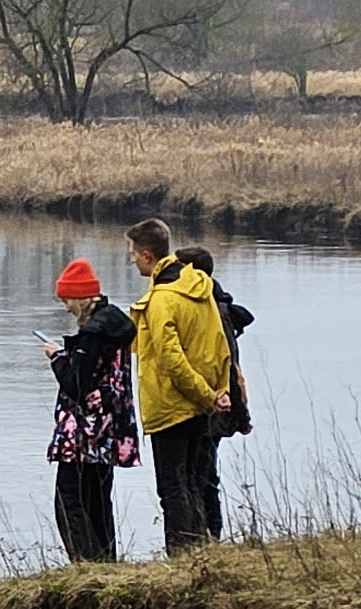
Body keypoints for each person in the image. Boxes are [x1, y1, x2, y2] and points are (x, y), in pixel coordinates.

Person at [126, 220, 232, 555]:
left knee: (172, 485)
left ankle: (182, 555)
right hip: (202, 406)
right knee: (194, 481)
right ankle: (202, 550)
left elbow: (172, 361)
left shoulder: (161, 300)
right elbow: (220, 346)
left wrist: (204, 395)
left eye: (132, 254)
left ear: (147, 255)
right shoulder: (201, 287)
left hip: (172, 406)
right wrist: (218, 391)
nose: (130, 261)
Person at [43, 255, 137, 562]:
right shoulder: (116, 326)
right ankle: (106, 561)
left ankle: (86, 563)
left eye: (67, 300)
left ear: (81, 297)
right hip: (111, 430)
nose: (66, 308)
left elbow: (76, 385)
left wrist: (58, 358)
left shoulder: (92, 335)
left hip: (84, 433)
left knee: (68, 500)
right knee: (98, 499)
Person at [179, 245, 254, 542]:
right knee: (202, 470)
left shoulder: (213, 310)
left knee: (202, 473)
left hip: (213, 403)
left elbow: (226, 360)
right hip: (216, 401)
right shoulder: (216, 305)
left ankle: (207, 534)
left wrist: (234, 406)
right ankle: (207, 534)